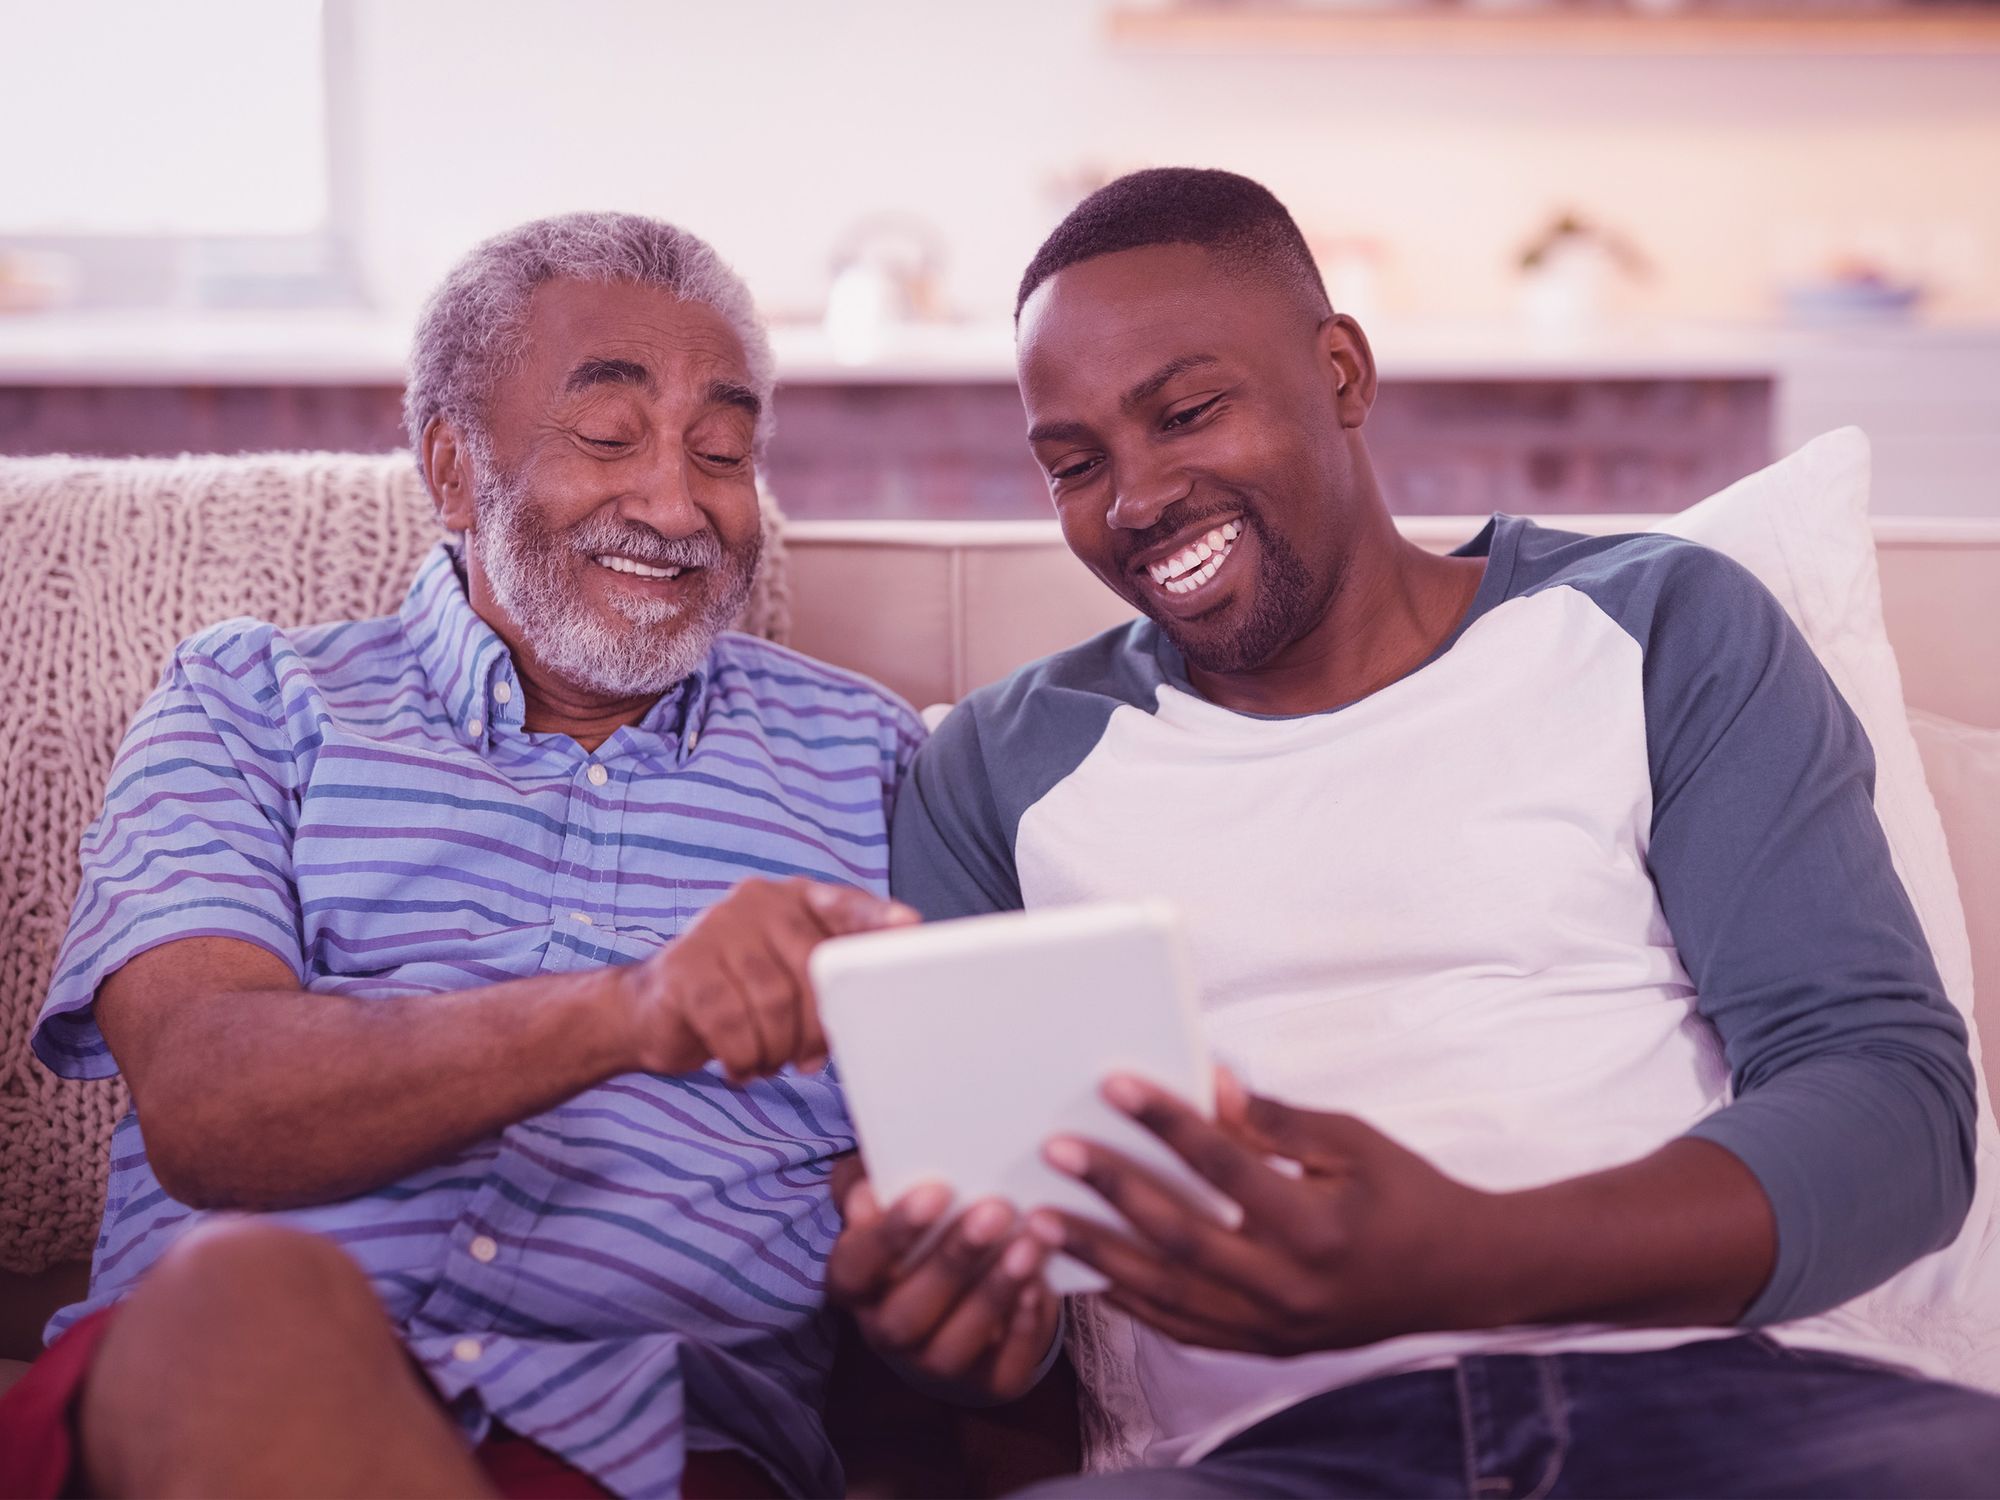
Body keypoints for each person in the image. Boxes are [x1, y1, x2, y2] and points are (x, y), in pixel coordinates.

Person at [825, 168, 2000, 1496]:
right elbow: (1003, 1295)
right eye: (1077, 463)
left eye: (1190, 411)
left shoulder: (1662, 625)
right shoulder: (995, 767)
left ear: (1339, 372)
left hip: (1734, 1414)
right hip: (1275, 1463)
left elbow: (1891, 1107)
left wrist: (1468, 1255)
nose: (1136, 498)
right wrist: (943, 1334)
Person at [0, 212, 930, 1500]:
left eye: (722, 451)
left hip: (657, 1447)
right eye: (608, 438)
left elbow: (932, 1172)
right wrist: (633, 1009)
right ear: (452, 469)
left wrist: (918, 1259)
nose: (675, 504)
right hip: (210, 1398)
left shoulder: (871, 762)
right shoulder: (253, 704)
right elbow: (210, 1109)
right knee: (244, 1302)